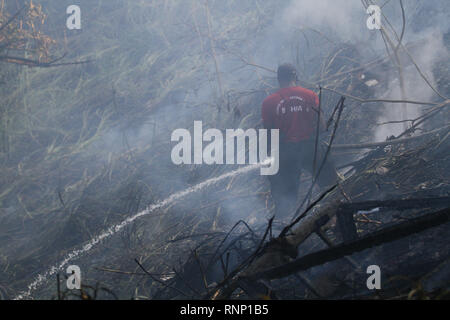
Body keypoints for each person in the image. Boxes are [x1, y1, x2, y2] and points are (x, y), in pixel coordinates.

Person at [261, 63, 337, 218]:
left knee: (285, 201)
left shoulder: (269, 102)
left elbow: (268, 134)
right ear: (295, 76)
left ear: (278, 79)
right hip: (311, 147)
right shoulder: (310, 95)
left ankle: (285, 231)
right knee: (330, 186)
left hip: (286, 152)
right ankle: (336, 218)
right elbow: (322, 127)